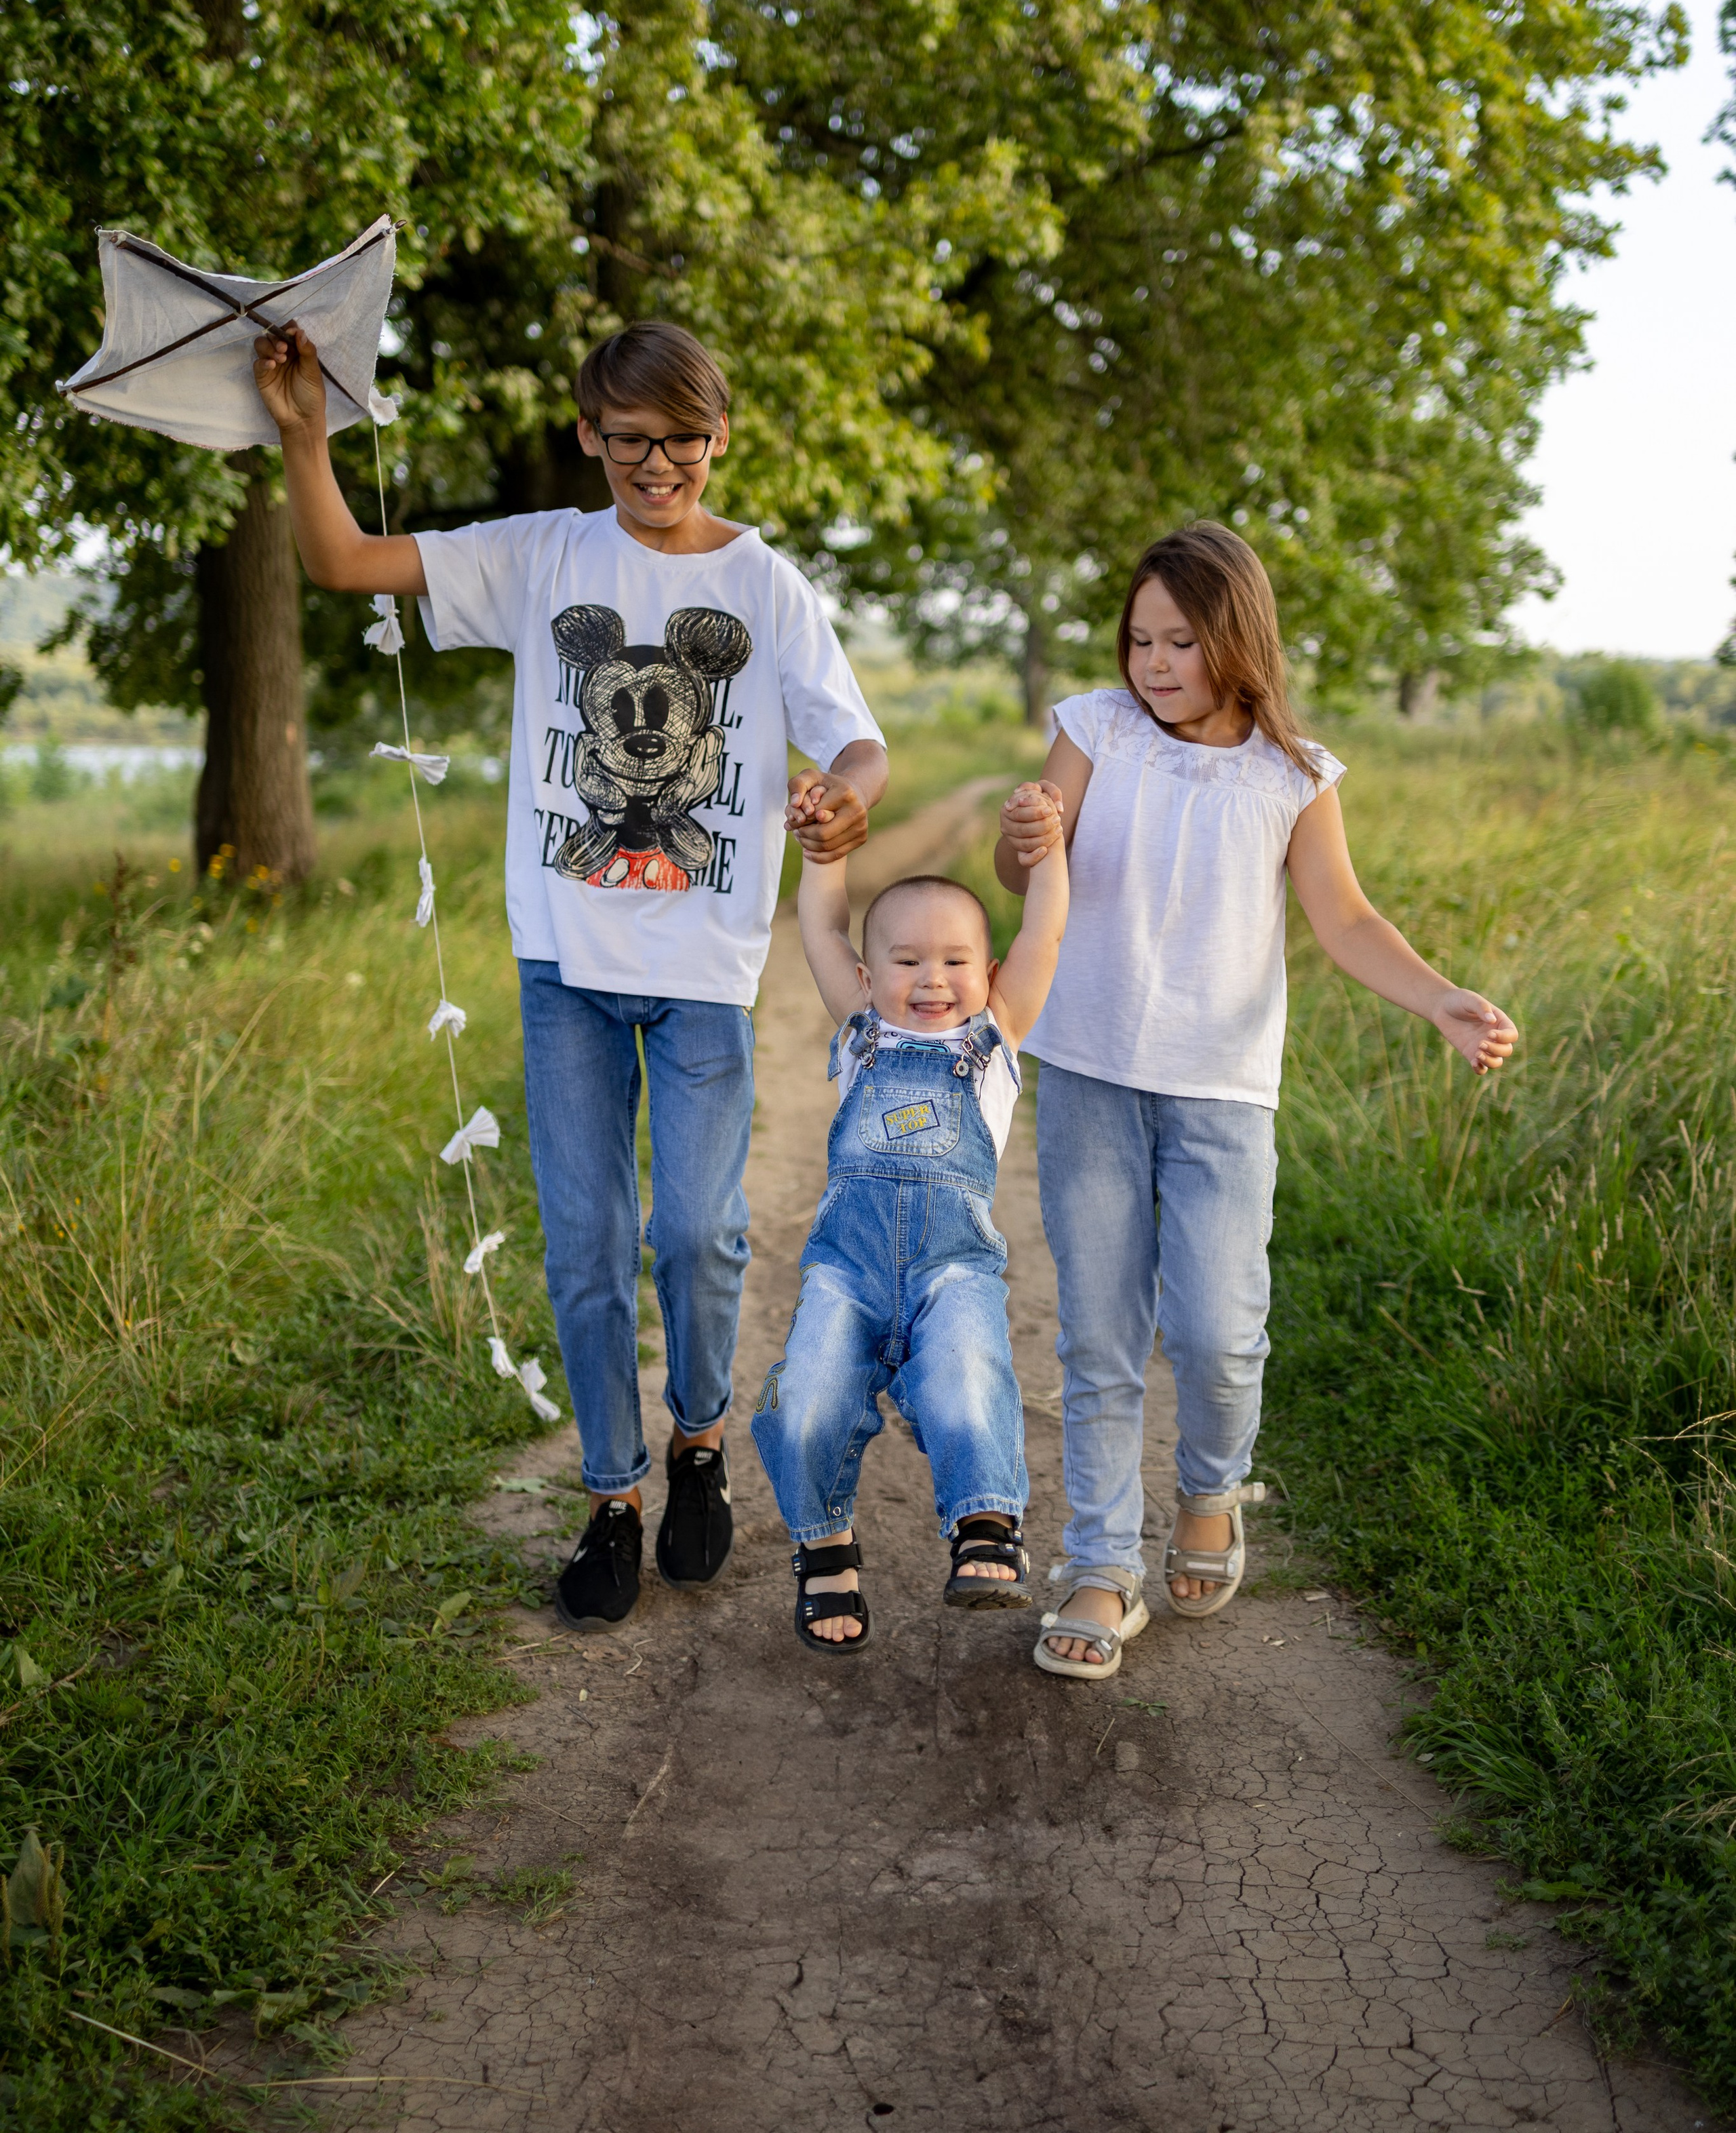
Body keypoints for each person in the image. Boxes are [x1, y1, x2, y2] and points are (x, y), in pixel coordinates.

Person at [252, 315, 887, 1630]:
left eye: (681, 442)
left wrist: (840, 800)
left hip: (708, 966)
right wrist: (308, 436)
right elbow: (335, 557)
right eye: (628, 441)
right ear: (589, 434)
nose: (656, 467)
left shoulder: (766, 588)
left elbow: (853, 743)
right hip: (564, 964)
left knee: (698, 1235)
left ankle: (697, 1443)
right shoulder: (544, 552)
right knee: (589, 1245)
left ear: (720, 438)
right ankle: (611, 1498)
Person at [996, 523, 1517, 1681]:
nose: (1156, 663)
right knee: (1099, 1334)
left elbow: (1345, 919)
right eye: (1140, 639)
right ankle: (1098, 1565)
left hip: (1224, 1092)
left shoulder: (1295, 776)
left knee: (1220, 1333)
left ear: (1237, 639)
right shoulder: (1093, 731)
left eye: (1181, 640)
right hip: (1089, 1072)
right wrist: (1024, 835)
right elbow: (1028, 864)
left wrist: (1439, 1001)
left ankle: (1209, 1494)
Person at [749, 792, 1070, 1653]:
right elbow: (819, 927)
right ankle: (824, 1548)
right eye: (905, 961)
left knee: (970, 1376)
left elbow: (1043, 936)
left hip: (951, 1269)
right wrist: (823, 857)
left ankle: (984, 1525)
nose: (932, 979)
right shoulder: (860, 1032)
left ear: (989, 974)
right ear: (866, 976)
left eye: (955, 961)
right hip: (845, 1274)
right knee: (805, 1403)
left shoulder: (993, 1038)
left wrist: (1045, 855)